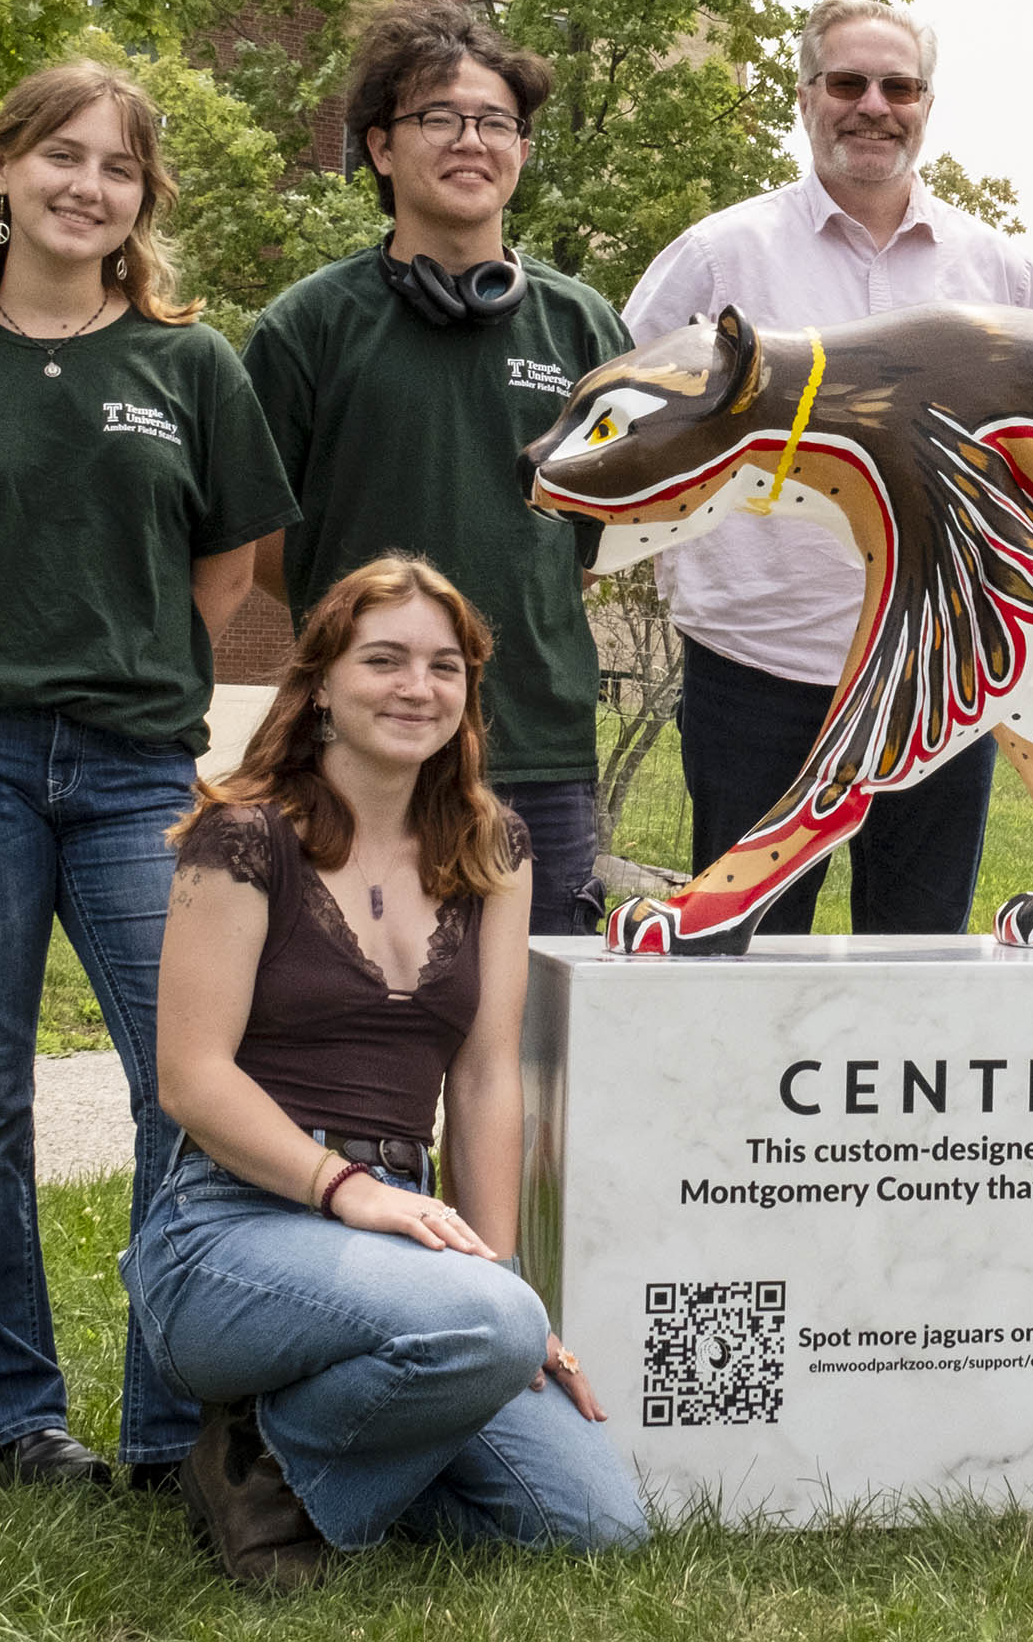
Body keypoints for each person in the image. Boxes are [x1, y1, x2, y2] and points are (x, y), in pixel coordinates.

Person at [0, 60, 300, 1488]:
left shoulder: (188, 363)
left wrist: (139, 676)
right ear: (4, 168)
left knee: (186, 1082)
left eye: (121, 167)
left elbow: (228, 559)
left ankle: (165, 1425)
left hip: (140, 768)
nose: (91, 185)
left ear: (144, 199)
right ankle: (4, 1421)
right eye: (64, 156)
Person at [124, 557, 645, 1588]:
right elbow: (189, 1077)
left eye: (445, 666)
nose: (418, 688)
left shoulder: (491, 845)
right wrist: (346, 1190)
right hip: (229, 1230)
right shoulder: (242, 835)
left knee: (591, 1524)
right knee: (488, 1329)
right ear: (320, 681)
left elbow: (489, 1076)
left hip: (405, 1234)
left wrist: (497, 1287)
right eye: (385, 660)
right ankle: (270, 1470)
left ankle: (294, 1442)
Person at [619, 0, 1033, 935]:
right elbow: (629, 427)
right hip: (756, 670)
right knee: (747, 959)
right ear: (805, 96)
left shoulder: (998, 275)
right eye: (847, 82)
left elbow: (1032, 465)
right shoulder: (715, 260)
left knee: (918, 963)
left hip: (939, 668)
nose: (874, 105)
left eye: (900, 86)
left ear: (927, 104)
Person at [246, 0, 631, 936]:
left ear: (523, 151)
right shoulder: (308, 327)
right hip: (356, 752)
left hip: (538, 748)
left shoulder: (585, 328)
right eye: (440, 118)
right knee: (362, 1035)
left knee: (542, 1054)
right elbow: (261, 549)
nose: (473, 140)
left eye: (497, 122)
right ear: (380, 148)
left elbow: (595, 543)